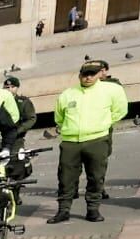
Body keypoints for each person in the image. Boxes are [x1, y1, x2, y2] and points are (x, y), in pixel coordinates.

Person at [52, 59, 128, 223]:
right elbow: (59, 117)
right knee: (66, 178)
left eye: (92, 74)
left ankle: (93, 209)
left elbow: (120, 110)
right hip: (70, 142)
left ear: (99, 75)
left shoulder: (111, 90)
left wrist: (104, 124)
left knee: (96, 176)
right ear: (79, 75)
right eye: (85, 74)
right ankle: (63, 210)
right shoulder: (68, 94)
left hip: (97, 139)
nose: (88, 78)